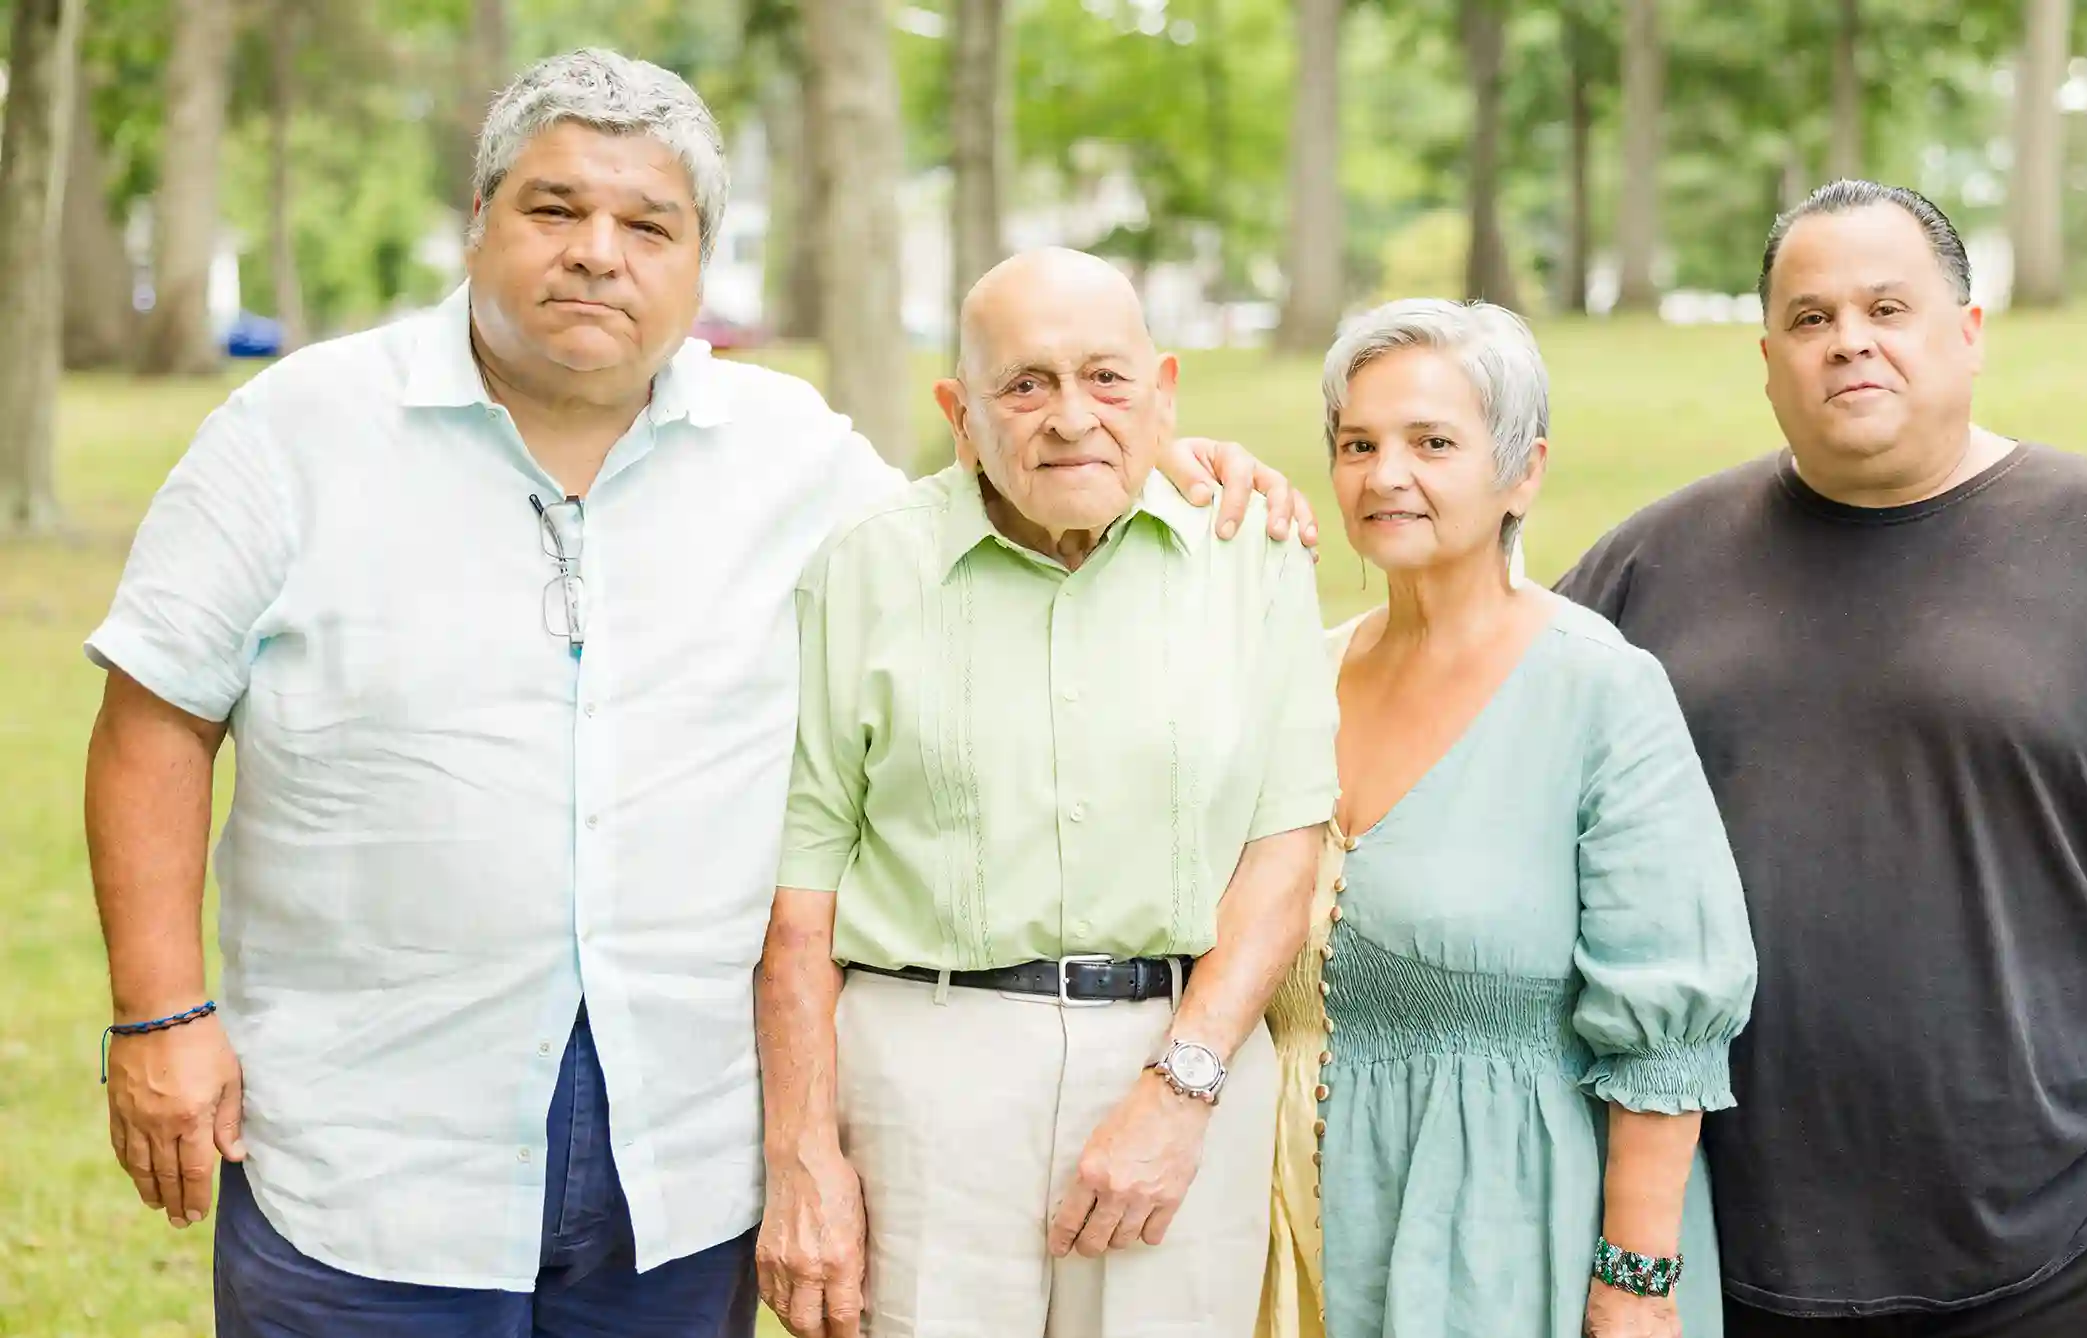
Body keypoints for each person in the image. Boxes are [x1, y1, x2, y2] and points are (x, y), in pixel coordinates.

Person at [82, 51, 1311, 1335]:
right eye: (555, 209)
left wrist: (1162, 457)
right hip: (368, 1149)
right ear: (480, 221)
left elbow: (995, 494)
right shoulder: (295, 433)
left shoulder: (790, 456)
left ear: (699, 263)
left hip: (674, 1163)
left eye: (648, 224)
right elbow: (155, 719)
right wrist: (159, 1013)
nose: (598, 253)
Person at [1555, 181, 2087, 1337]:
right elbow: (1469, 691)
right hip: (1743, 1242)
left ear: (1967, 333)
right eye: (1811, 319)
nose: (1849, 342)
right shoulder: (1646, 573)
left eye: (1887, 307)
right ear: (1767, 359)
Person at [756, 247, 1338, 1338]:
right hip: (928, 1075)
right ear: (961, 410)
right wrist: (803, 1158)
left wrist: (1183, 1087)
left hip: (1184, 1065)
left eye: (1106, 379)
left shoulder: (1252, 554)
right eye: (1025, 385)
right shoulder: (865, 571)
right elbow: (802, 904)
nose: (1071, 417)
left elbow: (1284, 850)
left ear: (1163, 391)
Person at [1259, 298, 1757, 1338]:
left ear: (1523, 472)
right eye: (1358, 443)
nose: (1385, 473)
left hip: (1509, 1233)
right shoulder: (1295, 679)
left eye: (1432, 442)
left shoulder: (1601, 693)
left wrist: (1635, 1283)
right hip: (1288, 1237)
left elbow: (1668, 1026)